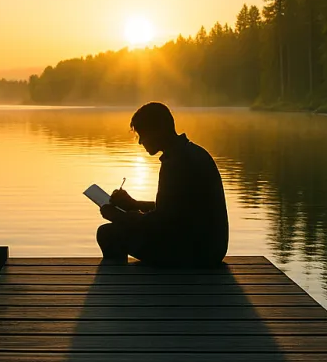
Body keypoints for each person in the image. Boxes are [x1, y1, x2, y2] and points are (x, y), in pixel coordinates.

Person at [96, 102, 228, 267]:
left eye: (142, 135)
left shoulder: (177, 162)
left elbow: (163, 221)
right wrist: (133, 204)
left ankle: (120, 287)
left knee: (108, 233)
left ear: (159, 130)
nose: (140, 141)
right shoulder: (188, 152)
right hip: (210, 248)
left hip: (197, 253)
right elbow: (174, 211)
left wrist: (118, 216)